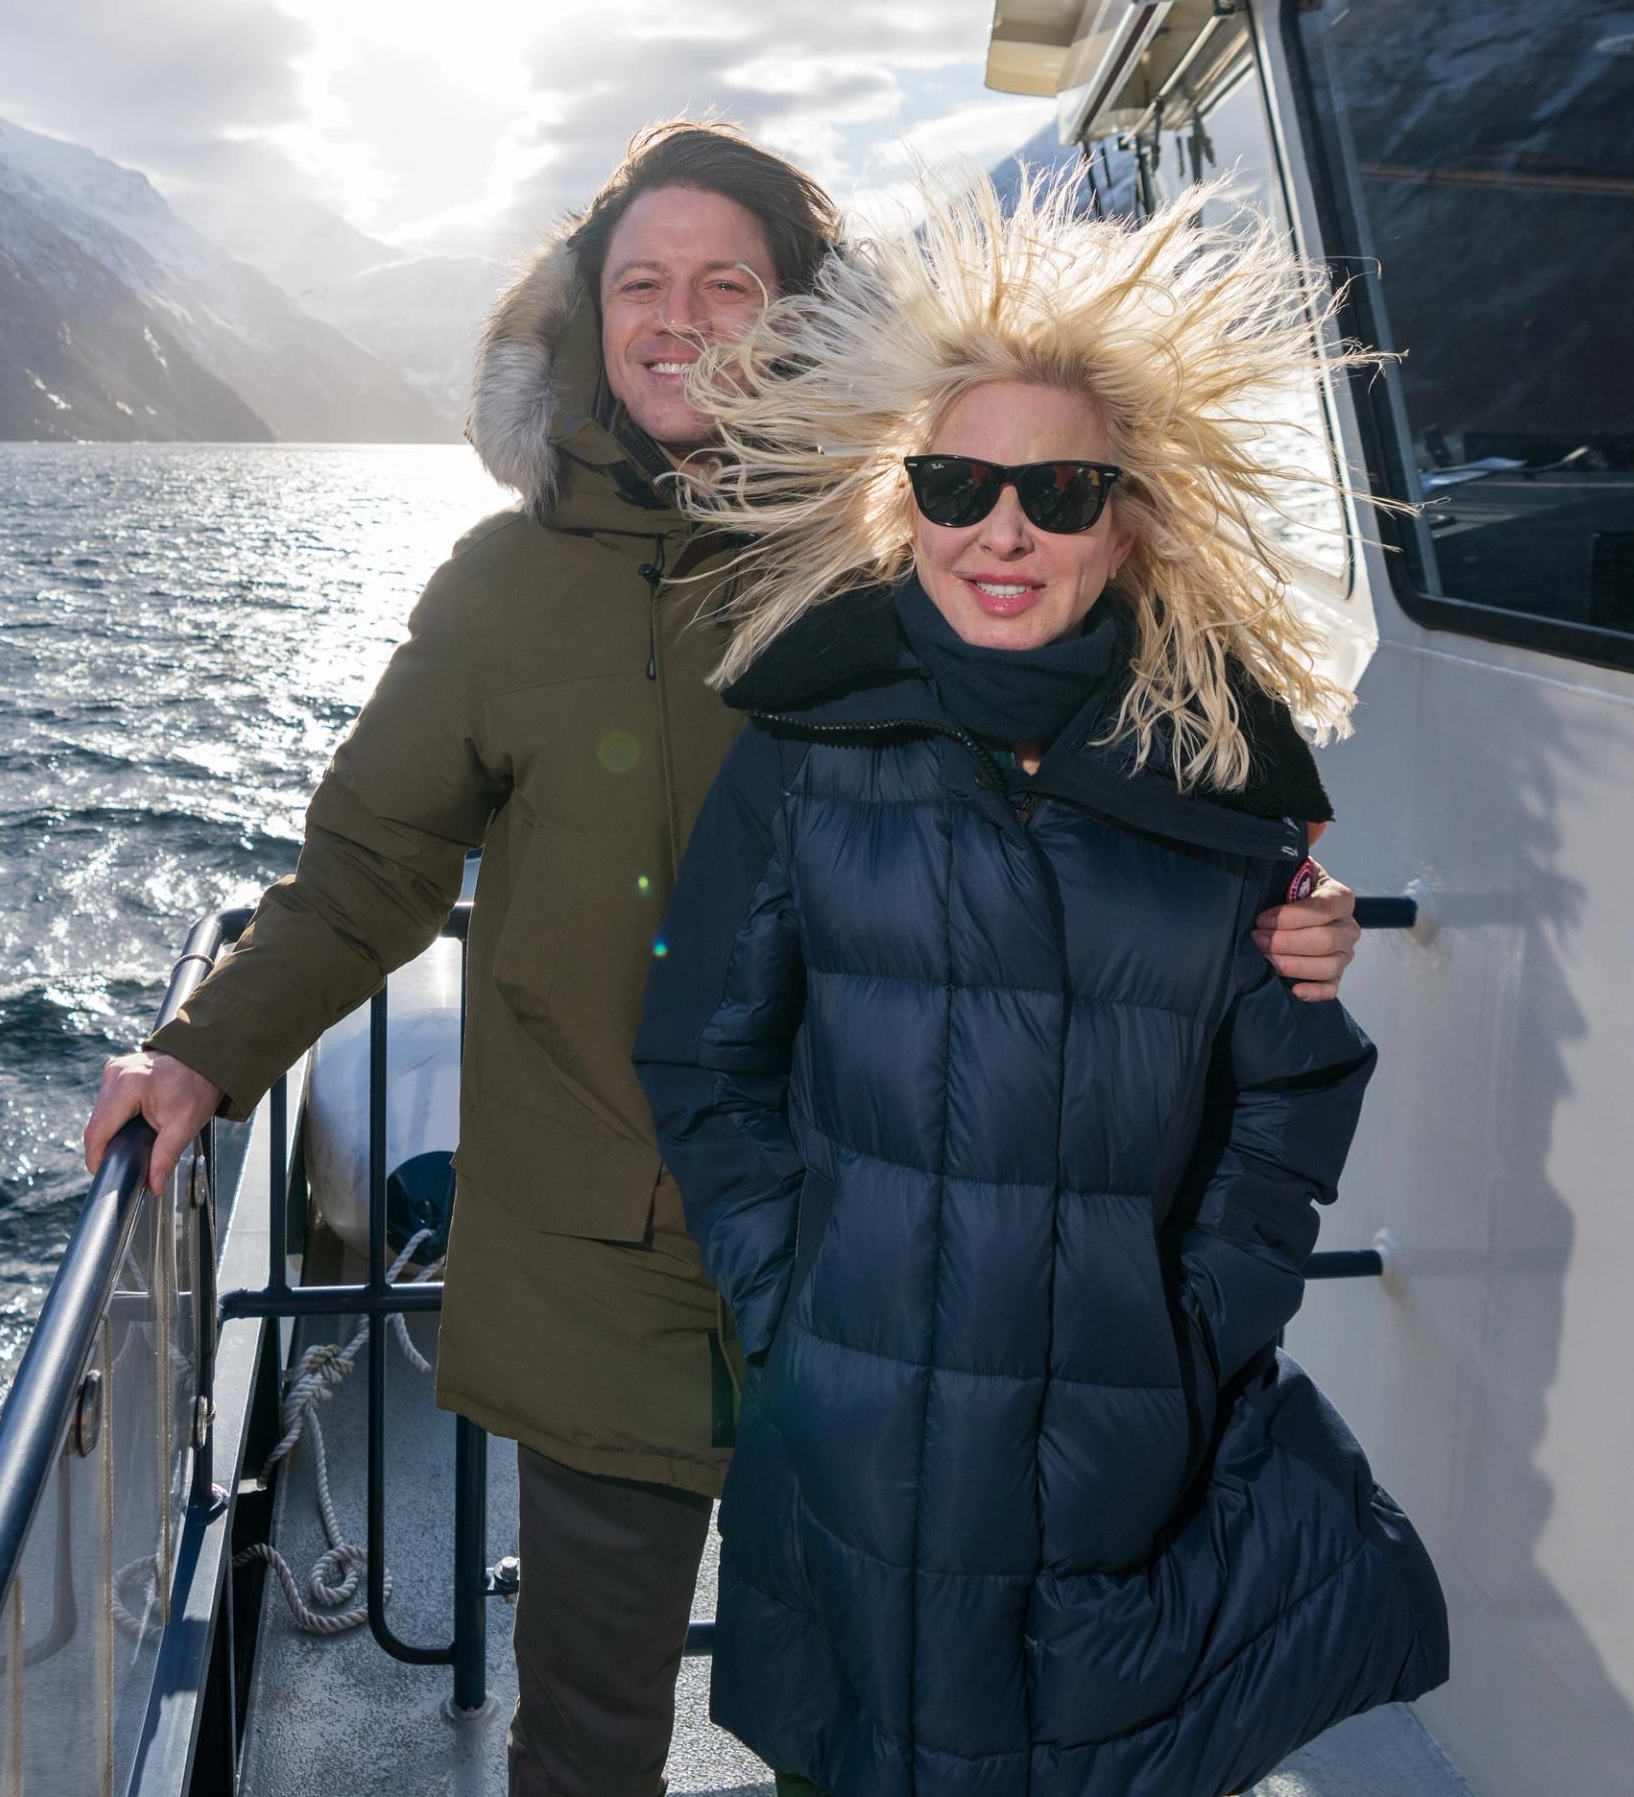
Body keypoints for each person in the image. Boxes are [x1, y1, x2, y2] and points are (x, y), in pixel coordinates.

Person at [78, 123, 1369, 1797]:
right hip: (601, 1264)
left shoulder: (910, 545)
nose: (678, 319)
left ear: (806, 317)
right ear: (587, 316)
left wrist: (1284, 909)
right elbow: (370, 870)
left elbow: (1110, 773)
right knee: (591, 1736)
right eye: (642, 283)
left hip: (886, 1267)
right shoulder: (503, 592)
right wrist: (202, 1048)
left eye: (728, 283)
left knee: (881, 1722)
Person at [637, 175, 1446, 1795]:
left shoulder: (1221, 789)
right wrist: (793, 1304)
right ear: (907, 503)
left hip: (1110, 1452)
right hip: (850, 1430)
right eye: (958, 483)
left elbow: (1289, 1094)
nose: (1002, 531)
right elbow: (703, 1060)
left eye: (1060, 492)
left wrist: (1191, 1330)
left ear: (1127, 520)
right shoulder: (804, 750)